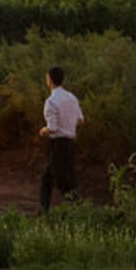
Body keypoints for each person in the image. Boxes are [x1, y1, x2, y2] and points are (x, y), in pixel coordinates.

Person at [38, 65, 84, 214]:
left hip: (58, 145)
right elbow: (80, 120)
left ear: (49, 80)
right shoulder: (72, 98)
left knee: (62, 183)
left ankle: (80, 211)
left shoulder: (51, 102)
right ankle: (44, 213)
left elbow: (52, 127)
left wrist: (43, 131)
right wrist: (69, 124)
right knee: (53, 179)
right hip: (71, 144)